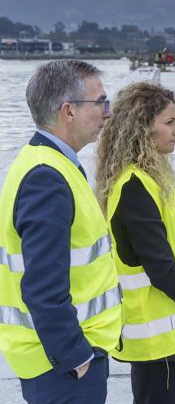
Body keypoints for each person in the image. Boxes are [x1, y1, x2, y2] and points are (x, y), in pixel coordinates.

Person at [0, 60, 122, 403]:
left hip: (60, 363)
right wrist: (76, 357)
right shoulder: (46, 178)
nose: (107, 113)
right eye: (101, 102)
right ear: (68, 111)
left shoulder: (50, 163)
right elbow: (41, 286)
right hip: (62, 368)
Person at [95, 82, 175, 404]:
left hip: (173, 332)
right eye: (169, 122)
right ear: (143, 128)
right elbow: (160, 266)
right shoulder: (134, 186)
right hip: (153, 338)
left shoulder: (153, 179)